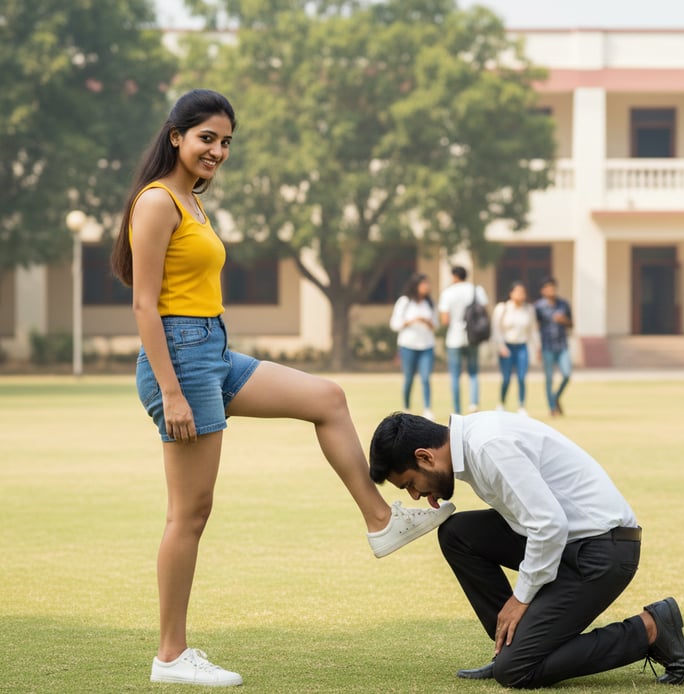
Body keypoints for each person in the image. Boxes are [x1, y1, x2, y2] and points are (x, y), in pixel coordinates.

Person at [110, 89, 454, 687]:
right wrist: (170, 390)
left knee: (327, 398)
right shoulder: (157, 202)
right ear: (176, 136)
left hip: (213, 350)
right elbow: (144, 304)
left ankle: (380, 521)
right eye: (206, 138)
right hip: (181, 361)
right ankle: (170, 656)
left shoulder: (192, 202)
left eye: (225, 142)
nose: (216, 150)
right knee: (189, 513)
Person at [368, 411, 684, 689]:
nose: (414, 494)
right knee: (458, 533)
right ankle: (512, 644)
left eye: (410, 482)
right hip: (572, 542)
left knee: (516, 672)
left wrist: (520, 598)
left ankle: (650, 629)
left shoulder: (488, 446)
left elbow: (549, 525)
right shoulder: (471, 440)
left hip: (602, 552)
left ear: (425, 457)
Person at [438, 266, 489, 414]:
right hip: (473, 336)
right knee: (473, 372)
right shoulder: (476, 290)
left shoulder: (448, 293)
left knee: (455, 375)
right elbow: (484, 312)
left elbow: (445, 320)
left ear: (454, 276)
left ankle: (457, 408)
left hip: (454, 337)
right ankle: (473, 403)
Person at [389, 273, 438, 420]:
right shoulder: (405, 302)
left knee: (425, 378)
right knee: (408, 377)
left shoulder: (429, 303)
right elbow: (394, 324)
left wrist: (427, 322)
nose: (427, 287)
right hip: (408, 345)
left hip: (426, 345)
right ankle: (406, 407)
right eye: (424, 284)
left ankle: (427, 408)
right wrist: (411, 321)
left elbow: (436, 324)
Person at [491, 282, 538, 415]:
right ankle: (501, 402)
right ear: (511, 293)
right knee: (506, 378)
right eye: (517, 292)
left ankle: (521, 405)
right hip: (507, 346)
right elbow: (496, 329)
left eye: (522, 292)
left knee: (522, 377)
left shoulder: (529, 309)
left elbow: (532, 330)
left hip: (522, 346)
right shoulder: (503, 308)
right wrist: (500, 346)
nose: (520, 295)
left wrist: (536, 347)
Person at [534, 277, 572, 417]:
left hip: (562, 345)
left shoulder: (563, 304)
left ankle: (556, 397)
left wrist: (564, 320)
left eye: (553, 287)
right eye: (548, 288)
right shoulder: (538, 307)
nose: (551, 290)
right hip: (547, 346)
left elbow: (571, 324)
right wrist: (537, 347)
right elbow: (535, 328)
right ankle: (552, 408)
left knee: (567, 374)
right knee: (549, 378)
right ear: (542, 291)